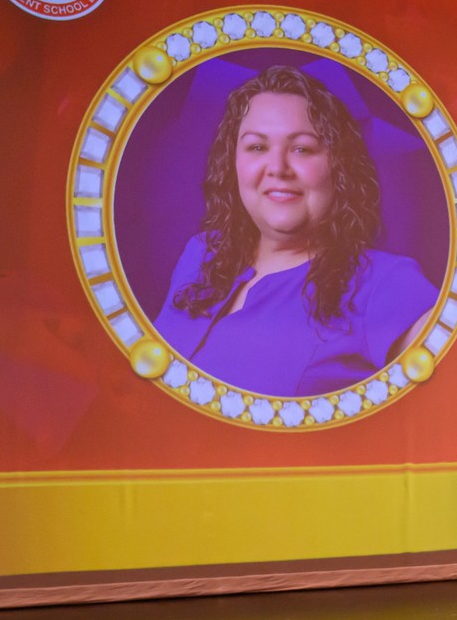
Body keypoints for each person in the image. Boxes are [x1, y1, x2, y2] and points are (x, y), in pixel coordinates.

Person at [153, 65, 439, 397]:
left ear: (338, 167)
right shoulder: (201, 252)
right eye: (257, 147)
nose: (277, 168)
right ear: (233, 163)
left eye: (302, 148)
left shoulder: (384, 283)